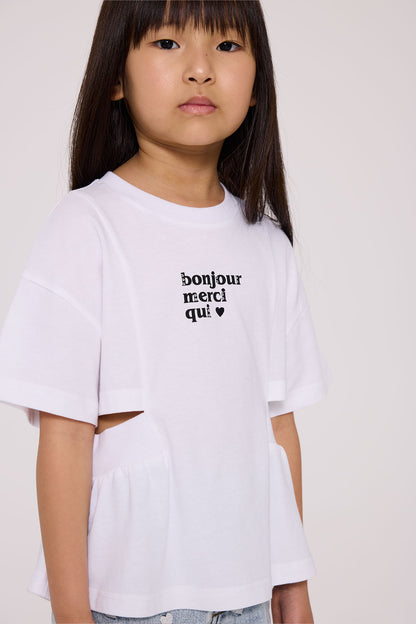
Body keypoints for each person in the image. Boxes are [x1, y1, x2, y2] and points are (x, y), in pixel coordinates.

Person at [0, 1, 331, 623]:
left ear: (257, 81)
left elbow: (277, 428)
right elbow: (64, 435)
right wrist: (71, 615)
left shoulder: (266, 245)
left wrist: (294, 585)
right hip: (134, 598)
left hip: (251, 592)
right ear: (116, 77)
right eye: (168, 43)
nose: (200, 69)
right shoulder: (88, 227)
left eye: (227, 47)